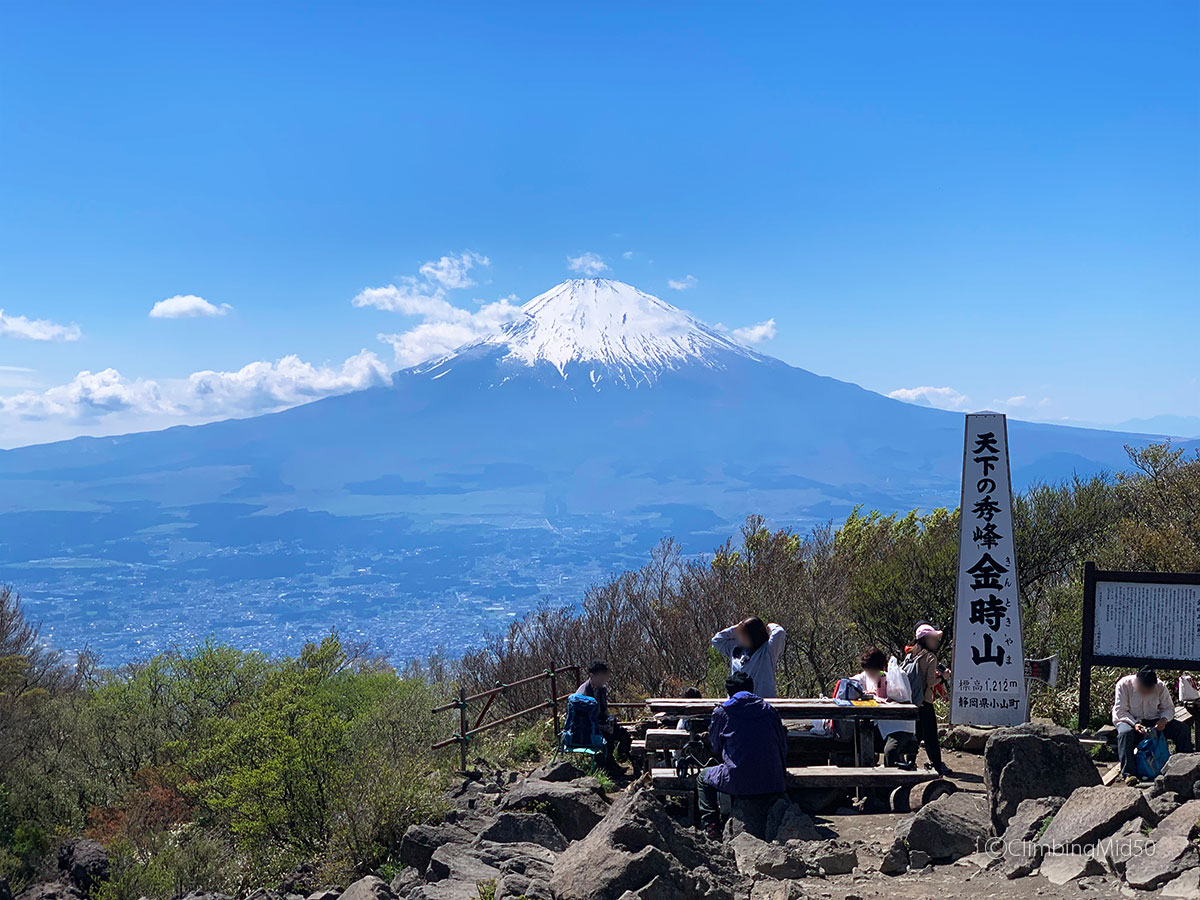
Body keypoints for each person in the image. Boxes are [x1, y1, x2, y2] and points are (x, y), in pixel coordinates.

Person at [697, 671, 788, 840]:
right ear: (752, 689)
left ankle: (711, 826)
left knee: (702, 778)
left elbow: (716, 747)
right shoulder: (769, 710)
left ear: (729, 692)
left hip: (739, 780)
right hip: (774, 779)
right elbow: (783, 746)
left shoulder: (722, 712)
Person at [1113, 666, 1194, 784]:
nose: (1146, 692)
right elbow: (1120, 711)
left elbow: (1168, 708)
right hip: (1129, 719)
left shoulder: (1160, 686)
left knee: (1182, 729)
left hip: (1154, 720)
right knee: (1125, 734)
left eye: (1149, 690)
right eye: (1143, 689)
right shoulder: (1124, 685)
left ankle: (1186, 767)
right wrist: (1134, 724)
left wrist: (1164, 720)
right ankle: (1129, 773)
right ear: (1138, 683)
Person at [853, 646, 917, 768]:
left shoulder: (898, 676)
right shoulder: (877, 678)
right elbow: (857, 679)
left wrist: (882, 700)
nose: (869, 675)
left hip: (900, 726)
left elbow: (904, 700)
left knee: (890, 752)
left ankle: (892, 783)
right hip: (883, 725)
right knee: (859, 740)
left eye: (871, 672)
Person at [909, 622, 951, 776]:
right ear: (925, 639)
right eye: (933, 638)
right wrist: (944, 677)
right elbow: (931, 682)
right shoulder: (930, 657)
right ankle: (938, 768)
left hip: (912, 701)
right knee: (931, 736)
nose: (936, 641)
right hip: (925, 701)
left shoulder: (911, 653)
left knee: (916, 733)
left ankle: (910, 762)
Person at [711, 616, 787, 698]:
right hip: (737, 704)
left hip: (762, 705)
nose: (740, 637)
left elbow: (779, 632)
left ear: (753, 635)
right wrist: (736, 628)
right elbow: (716, 640)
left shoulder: (767, 651)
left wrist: (769, 626)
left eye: (744, 634)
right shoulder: (735, 648)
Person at [577, 660, 632, 772]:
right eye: (602, 678)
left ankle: (631, 761)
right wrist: (602, 727)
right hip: (586, 729)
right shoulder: (582, 694)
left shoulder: (601, 689)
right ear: (591, 676)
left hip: (600, 723)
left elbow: (604, 710)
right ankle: (609, 766)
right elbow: (584, 721)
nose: (604, 681)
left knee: (624, 734)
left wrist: (610, 721)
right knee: (608, 737)